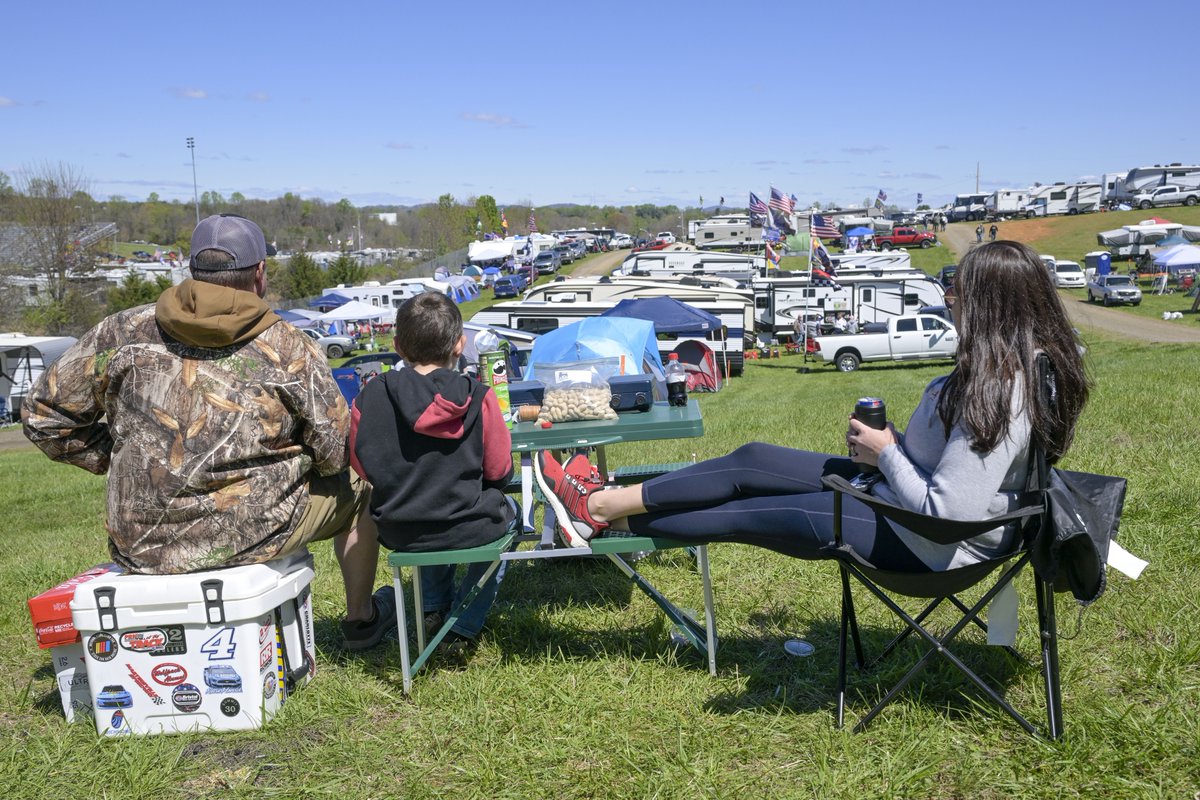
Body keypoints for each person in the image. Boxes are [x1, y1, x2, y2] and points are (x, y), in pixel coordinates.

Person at [533, 241, 1088, 573]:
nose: (949, 300)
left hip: (927, 545)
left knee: (742, 516)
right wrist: (891, 452)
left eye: (960, 292)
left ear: (993, 305)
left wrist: (886, 451)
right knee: (752, 460)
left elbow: (947, 515)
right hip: (894, 496)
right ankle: (603, 507)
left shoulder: (1007, 388)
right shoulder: (1009, 369)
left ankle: (599, 511)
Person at [23, 214, 392, 650]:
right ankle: (361, 621)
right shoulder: (288, 344)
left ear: (192, 272)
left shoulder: (120, 331)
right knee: (360, 492)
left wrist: (118, 455)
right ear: (259, 274)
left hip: (143, 543)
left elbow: (43, 417)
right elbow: (333, 452)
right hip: (254, 533)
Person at [350, 292, 516, 653]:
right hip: (469, 523)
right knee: (510, 513)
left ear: (398, 347)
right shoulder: (479, 395)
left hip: (399, 527)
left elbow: (362, 466)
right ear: (461, 344)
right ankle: (463, 625)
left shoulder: (370, 396)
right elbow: (500, 470)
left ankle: (432, 610)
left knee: (429, 507)